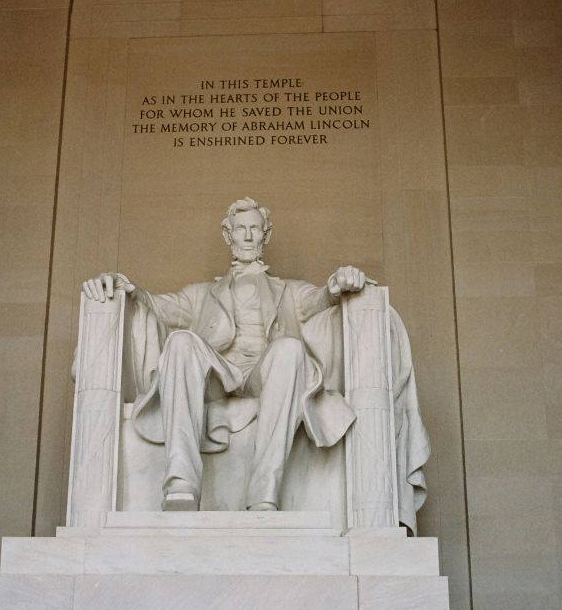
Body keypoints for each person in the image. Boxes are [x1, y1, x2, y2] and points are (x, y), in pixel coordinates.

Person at [83, 197, 368, 511]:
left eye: (255, 230)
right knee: (180, 341)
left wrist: (339, 282)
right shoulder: (199, 294)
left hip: (267, 374)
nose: (247, 236)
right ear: (227, 235)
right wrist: (126, 287)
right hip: (219, 376)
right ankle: (181, 484)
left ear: (266, 235)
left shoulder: (290, 290)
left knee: (290, 348)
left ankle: (264, 494)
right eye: (240, 229)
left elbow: (321, 298)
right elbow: (156, 306)